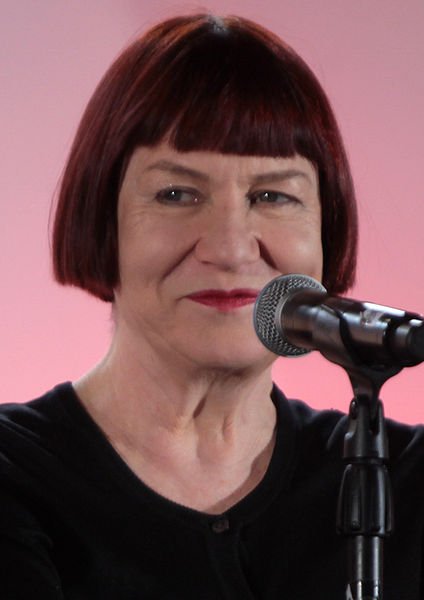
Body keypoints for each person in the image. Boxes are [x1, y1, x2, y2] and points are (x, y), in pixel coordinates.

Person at [0, 13, 423, 600]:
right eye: (177, 194)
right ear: (101, 222)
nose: (228, 247)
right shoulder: (14, 476)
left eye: (272, 195)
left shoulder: (408, 476)